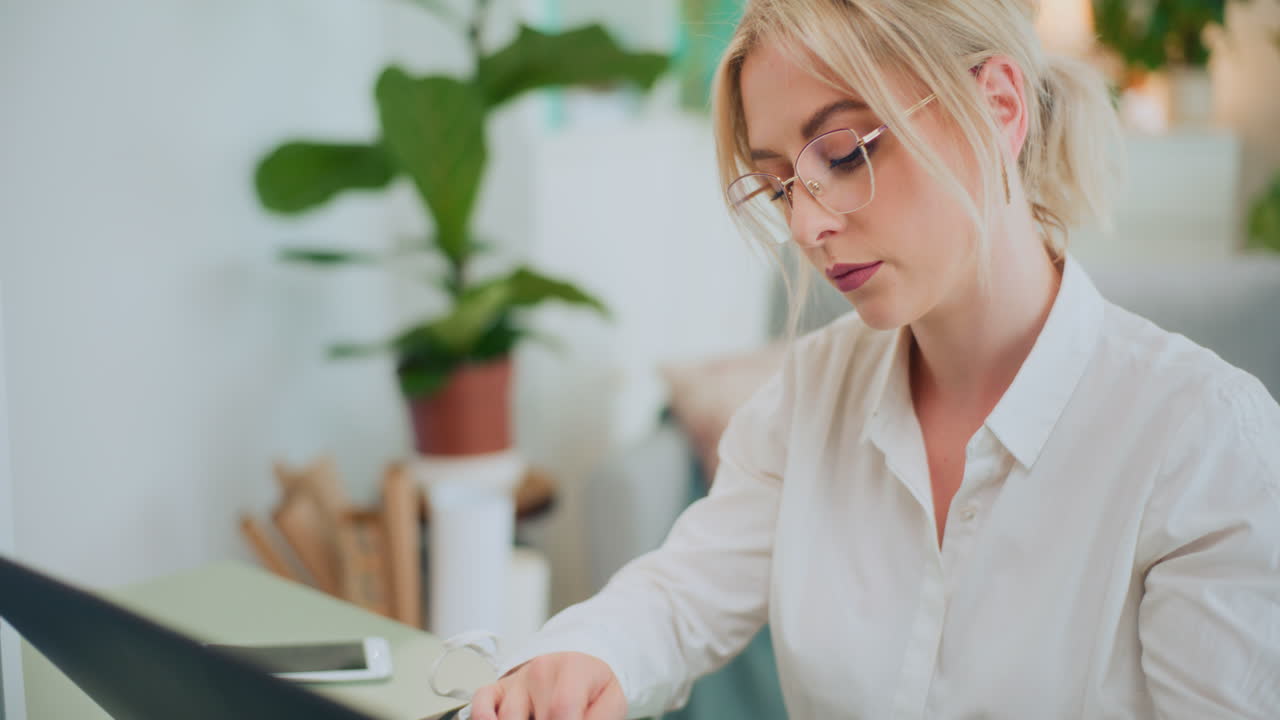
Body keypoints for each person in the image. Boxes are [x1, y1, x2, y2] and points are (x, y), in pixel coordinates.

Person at [468, 1, 1280, 717]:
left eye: (845, 152)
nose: (805, 227)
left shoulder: (1203, 442)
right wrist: (581, 658)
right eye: (779, 184)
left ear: (997, 106)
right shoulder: (810, 397)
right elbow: (677, 598)